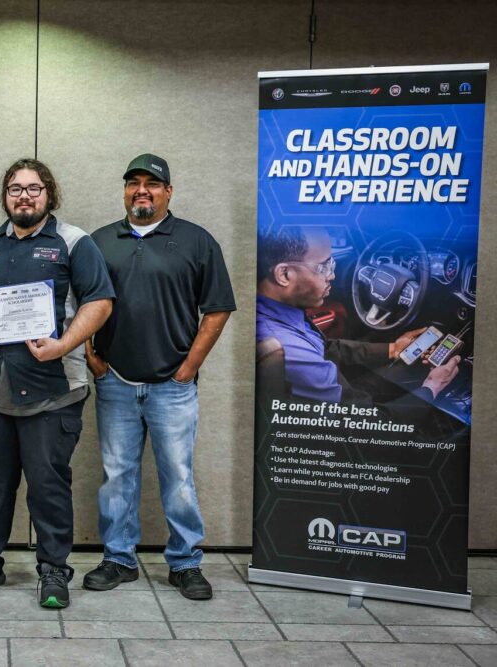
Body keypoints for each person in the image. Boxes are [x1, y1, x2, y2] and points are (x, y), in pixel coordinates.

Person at [0, 158, 114, 609]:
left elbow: (100, 302)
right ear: (5, 196)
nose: (24, 196)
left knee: (48, 485)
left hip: (53, 390)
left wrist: (63, 344)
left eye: (34, 188)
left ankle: (54, 569)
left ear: (49, 195)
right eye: (15, 188)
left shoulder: (74, 242)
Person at [83, 154, 236, 601]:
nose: (142, 190)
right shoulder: (99, 242)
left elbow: (218, 307)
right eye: (134, 183)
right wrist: (91, 355)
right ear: (125, 191)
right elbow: (80, 304)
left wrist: (188, 368)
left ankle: (186, 562)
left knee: (178, 476)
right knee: (117, 475)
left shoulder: (196, 241)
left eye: (153, 183)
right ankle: (118, 559)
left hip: (173, 386)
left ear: (169, 191)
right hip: (116, 383)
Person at [255, 227, 459, 404]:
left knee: (405, 365)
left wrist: (392, 349)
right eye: (323, 266)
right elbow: (370, 426)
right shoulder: (293, 351)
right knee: (419, 377)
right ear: (284, 275)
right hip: (347, 423)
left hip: (341, 391)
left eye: (332, 264)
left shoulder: (275, 310)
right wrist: (431, 387)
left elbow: (325, 348)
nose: (332, 275)